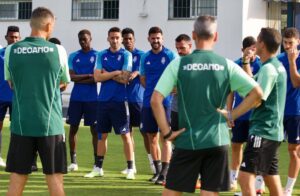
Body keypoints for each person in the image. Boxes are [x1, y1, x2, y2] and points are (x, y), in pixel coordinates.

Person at [151, 15, 262, 196]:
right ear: (216, 36)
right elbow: (257, 94)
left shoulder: (179, 64)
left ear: (193, 36)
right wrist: (232, 114)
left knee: (171, 192)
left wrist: (167, 133)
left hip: (188, 140)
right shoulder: (227, 65)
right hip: (217, 141)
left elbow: (155, 99)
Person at [4, 7, 70, 196]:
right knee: (55, 179)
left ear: (30, 24)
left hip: (21, 125)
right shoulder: (58, 50)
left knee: (17, 178)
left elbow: (11, 84)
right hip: (51, 126)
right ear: (49, 25)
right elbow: (63, 83)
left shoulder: (11, 50)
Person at [237, 28, 286, 196]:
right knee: (271, 179)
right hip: (271, 132)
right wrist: (245, 62)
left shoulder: (269, 69)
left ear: (262, 44)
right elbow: (252, 83)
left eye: (257, 41)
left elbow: (257, 98)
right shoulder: (272, 66)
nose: (254, 44)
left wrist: (232, 114)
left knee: (244, 178)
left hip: (263, 131)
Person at [84, 27, 135, 180]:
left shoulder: (127, 55)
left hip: (120, 101)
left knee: (125, 135)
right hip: (103, 101)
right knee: (102, 135)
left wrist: (106, 73)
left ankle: (130, 168)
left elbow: (125, 78)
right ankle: (98, 168)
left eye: (117, 37)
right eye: (112, 37)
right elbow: (97, 78)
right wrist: (115, 73)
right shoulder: (101, 54)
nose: (114, 40)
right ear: (108, 39)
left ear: (121, 39)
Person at [140, 26, 178, 184]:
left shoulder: (170, 55)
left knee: (166, 138)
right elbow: (143, 78)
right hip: (148, 103)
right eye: (153, 38)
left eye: (158, 38)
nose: (155, 41)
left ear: (162, 38)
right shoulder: (145, 57)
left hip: (165, 103)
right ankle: (156, 171)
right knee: (151, 137)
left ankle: (165, 172)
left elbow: (177, 78)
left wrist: (165, 92)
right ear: (148, 39)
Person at [227, 36, 265, 193]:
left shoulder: (262, 65)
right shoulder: (235, 64)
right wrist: (229, 112)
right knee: (236, 145)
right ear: (243, 50)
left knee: (256, 149)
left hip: (256, 115)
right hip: (240, 114)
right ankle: (232, 178)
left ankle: (259, 181)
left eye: (254, 48)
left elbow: (258, 89)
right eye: (249, 49)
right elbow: (230, 91)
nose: (251, 52)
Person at [66, 29, 98, 172]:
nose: (82, 41)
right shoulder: (73, 56)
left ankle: (97, 163)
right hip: (76, 98)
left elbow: (96, 78)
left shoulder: (97, 55)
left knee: (95, 131)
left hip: (92, 99)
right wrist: (87, 76)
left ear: (90, 38)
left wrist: (81, 78)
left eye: (85, 39)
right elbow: (71, 77)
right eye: (80, 39)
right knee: (73, 129)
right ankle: (73, 161)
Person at [120, 27, 148, 174]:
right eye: (125, 39)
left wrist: (136, 72)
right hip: (123, 99)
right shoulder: (122, 55)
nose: (127, 41)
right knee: (127, 133)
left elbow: (141, 71)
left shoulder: (141, 55)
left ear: (134, 39)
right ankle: (132, 165)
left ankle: (153, 164)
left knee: (145, 132)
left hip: (138, 99)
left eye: (130, 39)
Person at [277, 27, 300, 196]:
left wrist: (292, 62)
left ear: (298, 42)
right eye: (285, 42)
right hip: (277, 112)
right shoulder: (277, 59)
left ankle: (288, 190)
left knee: (293, 150)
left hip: (296, 112)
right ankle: (259, 185)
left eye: (290, 43)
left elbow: (296, 82)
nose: (287, 46)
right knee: (269, 149)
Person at [0, 26, 21, 167]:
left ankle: (13, 158)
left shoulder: (22, 54)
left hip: (17, 97)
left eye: (16, 37)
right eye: (11, 37)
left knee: (16, 129)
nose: (13, 39)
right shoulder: (0, 53)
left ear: (19, 38)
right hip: (0, 97)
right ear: (6, 37)